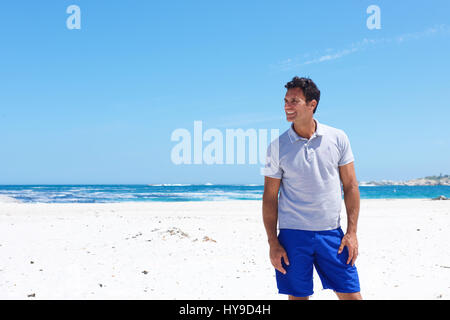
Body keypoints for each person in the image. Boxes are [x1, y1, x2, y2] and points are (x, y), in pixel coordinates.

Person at [262, 76, 362, 300]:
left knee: (352, 295)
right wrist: (273, 242)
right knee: (298, 298)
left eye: (294, 101)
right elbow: (270, 197)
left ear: (312, 104)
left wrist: (352, 233)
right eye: (286, 101)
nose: (287, 106)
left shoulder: (338, 138)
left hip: (331, 234)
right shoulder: (276, 147)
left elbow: (350, 185)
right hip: (292, 236)